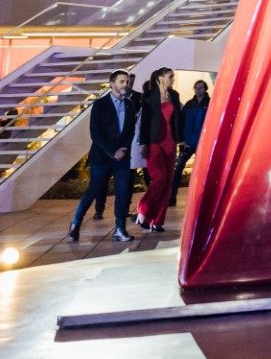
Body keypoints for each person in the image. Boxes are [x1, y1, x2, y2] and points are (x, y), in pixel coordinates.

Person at [69, 70, 138, 243]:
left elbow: (130, 131)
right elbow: (95, 134)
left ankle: (120, 228)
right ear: (112, 84)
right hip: (102, 157)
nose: (126, 85)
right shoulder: (100, 105)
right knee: (94, 190)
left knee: (123, 192)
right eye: (122, 82)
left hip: (122, 158)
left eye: (127, 82)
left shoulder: (130, 105)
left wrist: (124, 149)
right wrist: (112, 151)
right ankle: (76, 222)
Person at [132, 68, 182, 234]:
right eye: (170, 77)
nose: (172, 79)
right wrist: (143, 143)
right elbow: (145, 122)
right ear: (161, 78)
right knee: (159, 179)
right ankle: (143, 208)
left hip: (170, 142)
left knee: (167, 184)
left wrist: (180, 138)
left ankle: (157, 221)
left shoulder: (174, 95)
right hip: (154, 143)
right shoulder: (148, 96)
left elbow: (178, 119)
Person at [172, 79, 210, 200]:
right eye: (196, 87)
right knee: (178, 167)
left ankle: (203, 197)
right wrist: (181, 140)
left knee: (203, 170)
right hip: (188, 143)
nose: (197, 90)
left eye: (200, 87)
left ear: (205, 89)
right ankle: (172, 196)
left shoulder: (210, 104)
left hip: (203, 144)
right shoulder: (189, 104)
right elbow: (181, 122)